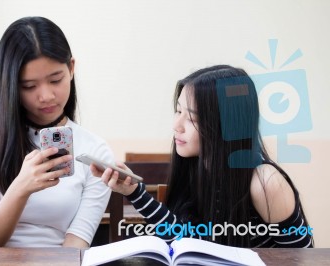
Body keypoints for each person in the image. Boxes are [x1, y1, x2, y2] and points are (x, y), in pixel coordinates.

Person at [91, 65, 313, 248]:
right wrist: (134, 192)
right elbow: (187, 240)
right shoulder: (198, 165)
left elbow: (299, 258)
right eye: (178, 111)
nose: (176, 125)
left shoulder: (265, 182)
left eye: (193, 118)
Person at [0, 16, 113, 248]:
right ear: (10, 85)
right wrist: (22, 187)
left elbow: (77, 243)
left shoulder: (95, 151)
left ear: (71, 68)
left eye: (56, 79)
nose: (46, 96)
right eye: (29, 86)